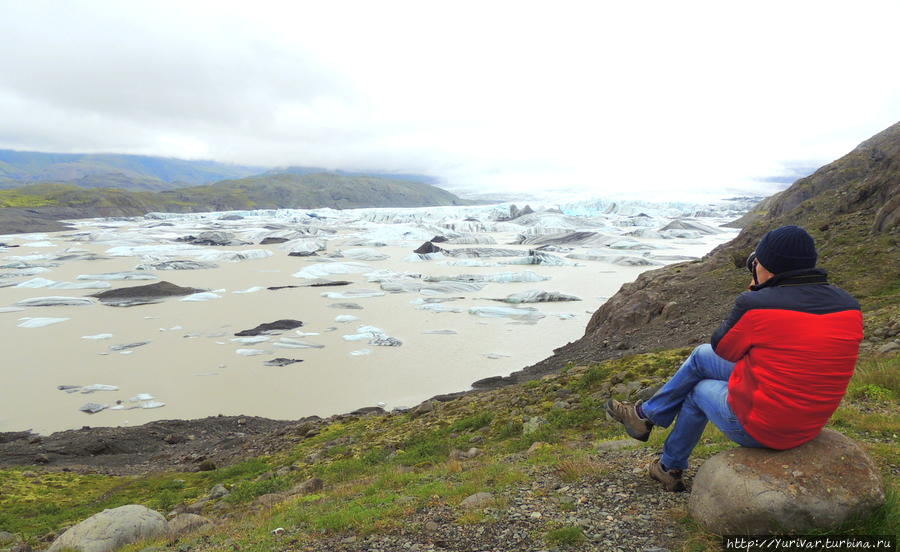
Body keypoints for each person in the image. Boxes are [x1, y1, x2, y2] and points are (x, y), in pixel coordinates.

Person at [606, 225, 863, 491]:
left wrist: (756, 293)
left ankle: (669, 465)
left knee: (697, 389)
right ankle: (645, 416)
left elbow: (725, 349)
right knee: (700, 356)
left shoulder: (758, 304)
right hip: (810, 421)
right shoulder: (849, 305)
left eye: (758, 263)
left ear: (768, 267)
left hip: (766, 428)